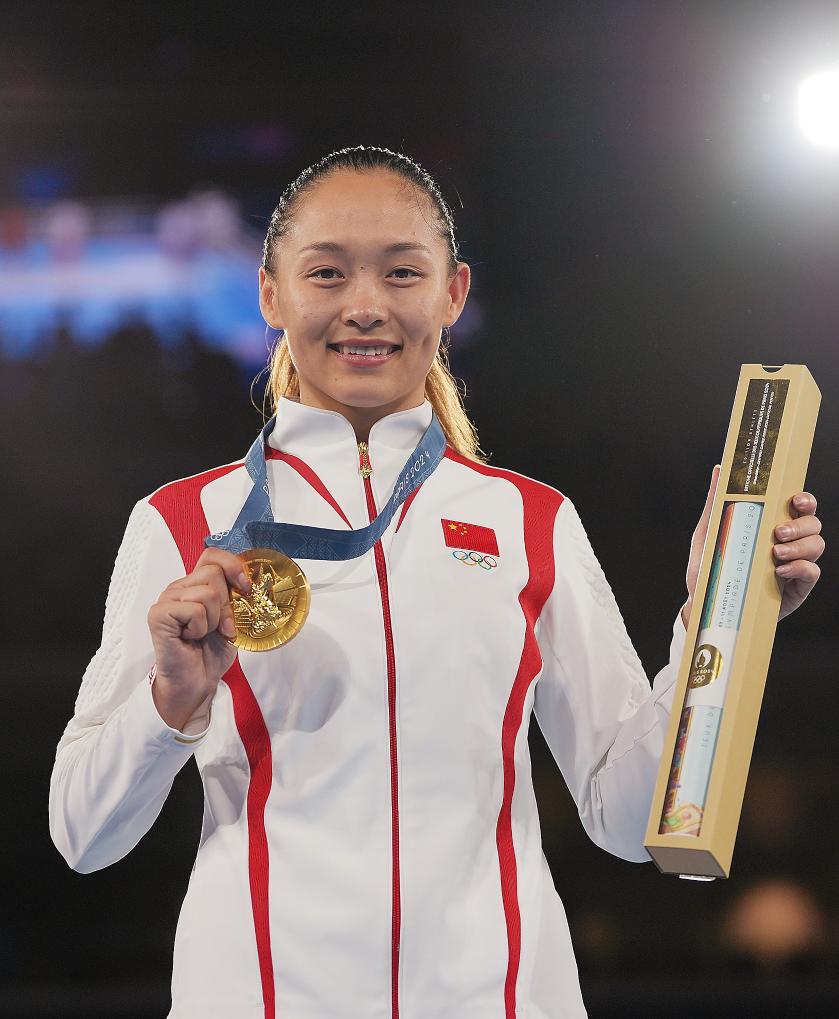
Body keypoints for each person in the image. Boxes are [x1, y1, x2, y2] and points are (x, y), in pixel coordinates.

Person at [49, 146, 825, 1019]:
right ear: (271, 294)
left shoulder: (529, 521)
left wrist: (718, 613)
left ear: (452, 294)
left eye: (401, 272)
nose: (365, 305)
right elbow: (81, 834)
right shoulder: (182, 521)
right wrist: (169, 703)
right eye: (327, 273)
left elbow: (625, 815)